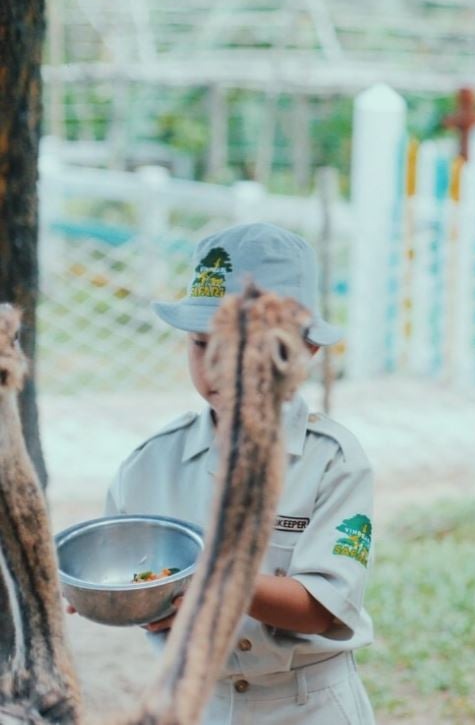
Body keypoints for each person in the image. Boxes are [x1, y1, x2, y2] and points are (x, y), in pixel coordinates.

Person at [104, 222, 376, 724]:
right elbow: (125, 570)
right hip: (194, 703)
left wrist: (209, 581)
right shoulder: (151, 464)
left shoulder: (333, 461)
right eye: (201, 345)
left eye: (242, 349)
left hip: (308, 703)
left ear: (304, 351)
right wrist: (116, 597)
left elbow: (320, 606)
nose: (216, 370)